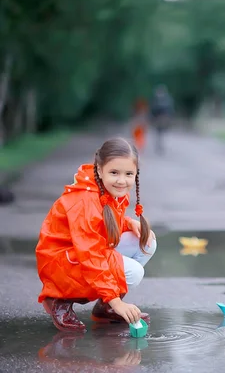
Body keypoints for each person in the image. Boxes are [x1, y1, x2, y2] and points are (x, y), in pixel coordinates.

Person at [35, 137, 158, 332]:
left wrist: (128, 223)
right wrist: (117, 300)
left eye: (128, 174)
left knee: (146, 241)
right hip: (62, 264)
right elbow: (90, 254)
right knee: (134, 272)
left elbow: (102, 225)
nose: (121, 180)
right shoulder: (85, 200)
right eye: (114, 172)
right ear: (99, 170)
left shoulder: (110, 189)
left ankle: (104, 308)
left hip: (81, 253)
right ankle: (60, 299)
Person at [149, 85, 174, 154]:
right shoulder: (156, 100)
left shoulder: (166, 100)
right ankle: (159, 145)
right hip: (158, 118)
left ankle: (161, 145)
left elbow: (169, 109)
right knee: (158, 133)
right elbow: (153, 109)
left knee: (161, 133)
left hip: (163, 118)